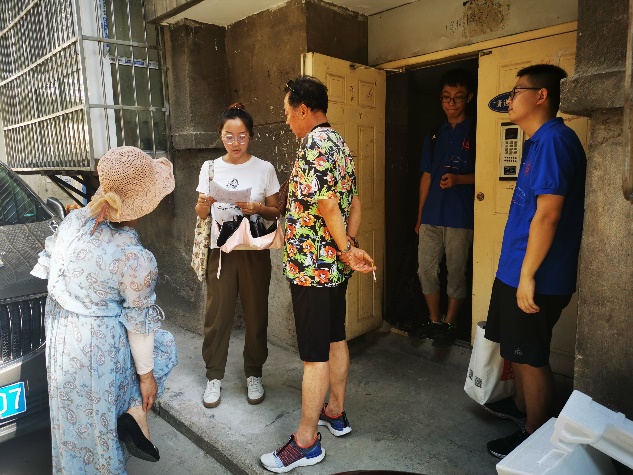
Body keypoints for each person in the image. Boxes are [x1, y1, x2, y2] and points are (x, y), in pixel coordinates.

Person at [30, 146, 178, 474]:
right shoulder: (134, 258)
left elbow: (50, 272)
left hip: (63, 341)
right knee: (162, 349)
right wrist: (147, 380)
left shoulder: (73, 222)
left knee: (74, 423)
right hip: (99, 346)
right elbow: (139, 328)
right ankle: (134, 412)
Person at [260, 76, 375, 473]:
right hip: (334, 270)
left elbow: (326, 205)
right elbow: (354, 202)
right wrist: (349, 247)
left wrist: (345, 249)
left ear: (304, 110)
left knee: (314, 356)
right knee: (335, 338)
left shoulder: (313, 145)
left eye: (288, 112)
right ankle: (335, 412)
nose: (287, 119)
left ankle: (306, 442)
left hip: (312, 270)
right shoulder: (339, 143)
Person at [483, 64, 586, 459]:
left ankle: (535, 435)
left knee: (531, 356)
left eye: (516, 91)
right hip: (517, 270)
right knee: (517, 351)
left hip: (536, 276)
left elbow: (548, 215)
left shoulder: (555, 140)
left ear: (541, 96)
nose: (509, 99)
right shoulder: (538, 141)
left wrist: (527, 276)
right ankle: (525, 409)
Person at [195, 102, 280, 409]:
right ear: (220, 135)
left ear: (251, 136)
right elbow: (201, 213)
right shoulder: (210, 168)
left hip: (253, 251)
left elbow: (275, 210)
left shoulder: (264, 168)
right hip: (221, 252)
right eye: (229, 136)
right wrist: (205, 203)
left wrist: (257, 208)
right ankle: (213, 376)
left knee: (256, 313)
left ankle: (254, 373)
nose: (235, 142)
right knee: (217, 314)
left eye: (242, 136)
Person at [414, 69, 476, 347]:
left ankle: (450, 322)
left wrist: (460, 180)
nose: (451, 103)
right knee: (425, 270)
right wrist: (420, 216)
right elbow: (426, 176)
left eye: (458, 97)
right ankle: (434, 320)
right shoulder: (434, 135)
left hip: (460, 216)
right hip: (432, 215)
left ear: (469, 98)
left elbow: (492, 174)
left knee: (456, 271)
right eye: (446, 97)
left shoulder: (476, 131)